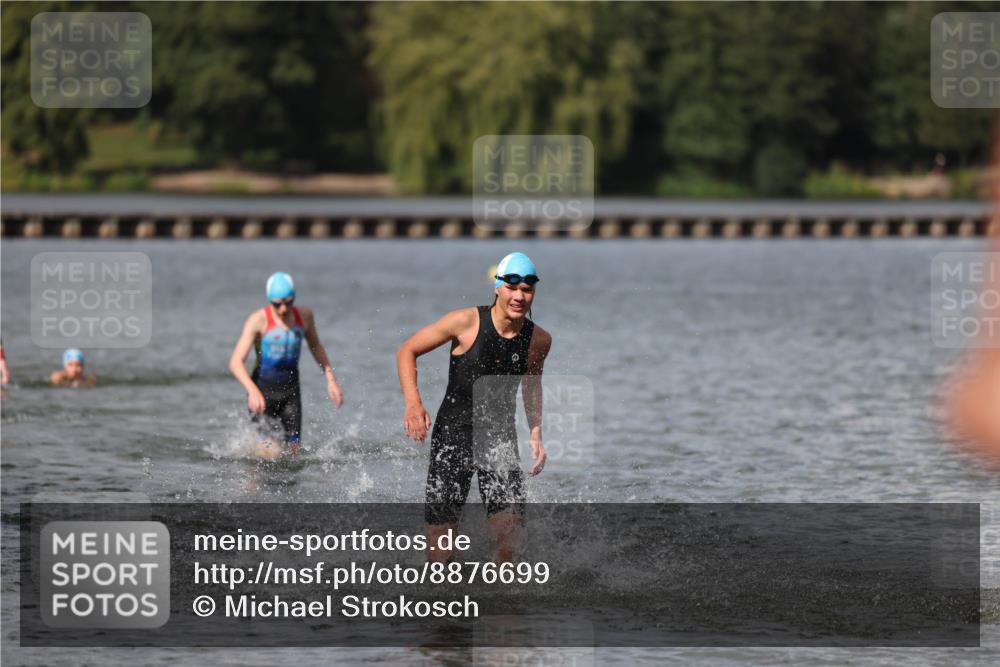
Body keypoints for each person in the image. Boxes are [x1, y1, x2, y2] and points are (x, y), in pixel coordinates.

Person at [397, 252, 552, 562]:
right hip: (453, 436)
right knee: (441, 554)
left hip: (499, 440)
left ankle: (503, 606)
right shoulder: (466, 322)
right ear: (498, 287)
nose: (519, 296)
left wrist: (535, 430)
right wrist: (413, 404)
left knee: (509, 541)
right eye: (512, 287)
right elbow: (407, 350)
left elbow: (532, 382)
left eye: (527, 289)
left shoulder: (539, 340)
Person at [229, 272, 343, 460]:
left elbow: (315, 345)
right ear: (269, 300)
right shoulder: (258, 320)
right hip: (262, 395)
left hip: (291, 394)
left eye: (289, 302)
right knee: (269, 453)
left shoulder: (304, 317)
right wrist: (252, 390)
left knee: (293, 454)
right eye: (277, 304)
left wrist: (331, 379)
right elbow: (235, 362)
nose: (283, 309)